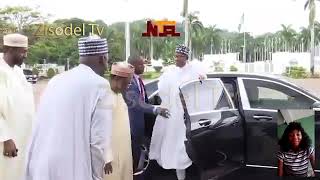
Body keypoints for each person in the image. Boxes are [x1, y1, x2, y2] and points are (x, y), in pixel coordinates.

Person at [24, 35, 113, 180]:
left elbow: (39, 125)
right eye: (107, 59)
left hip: (42, 165)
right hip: (73, 168)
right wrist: (97, 177)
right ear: (102, 59)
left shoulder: (56, 80)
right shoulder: (100, 85)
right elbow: (98, 141)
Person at [149, 44, 207, 180]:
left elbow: (203, 87)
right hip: (174, 117)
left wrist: (201, 80)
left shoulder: (194, 71)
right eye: (175, 56)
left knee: (190, 147)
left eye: (180, 56)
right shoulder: (171, 72)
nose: (177, 58)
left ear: (186, 57)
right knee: (176, 148)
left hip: (190, 115)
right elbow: (163, 90)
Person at [124, 55, 169, 180]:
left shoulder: (137, 79)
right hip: (131, 126)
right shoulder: (129, 82)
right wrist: (155, 109)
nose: (143, 67)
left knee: (136, 156)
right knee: (132, 159)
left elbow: (144, 99)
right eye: (141, 65)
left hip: (138, 126)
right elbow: (136, 102)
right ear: (132, 66)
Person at [0, 33, 35, 180]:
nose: (25, 55)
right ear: (10, 49)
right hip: (7, 141)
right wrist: (6, 138)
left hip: (21, 137)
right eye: (23, 51)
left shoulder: (18, 71)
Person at [104, 62, 135, 180]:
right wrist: (107, 158)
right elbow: (100, 130)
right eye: (127, 83)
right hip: (111, 157)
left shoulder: (118, 94)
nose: (128, 86)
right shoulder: (105, 96)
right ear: (117, 78)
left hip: (123, 151)